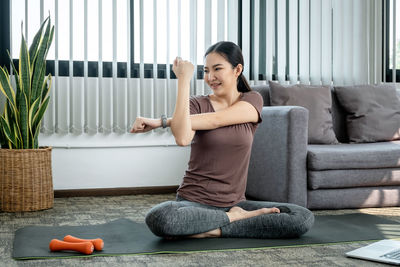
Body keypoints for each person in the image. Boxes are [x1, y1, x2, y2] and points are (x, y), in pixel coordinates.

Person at [130, 41, 314, 239]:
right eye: (206, 71)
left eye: (217, 69)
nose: (210, 77)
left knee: (301, 217)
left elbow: (217, 120)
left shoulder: (252, 100)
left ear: (237, 70)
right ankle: (235, 219)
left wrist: (162, 121)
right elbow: (183, 138)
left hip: (236, 203)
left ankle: (212, 226)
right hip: (193, 203)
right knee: (162, 218)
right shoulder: (196, 104)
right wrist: (183, 80)